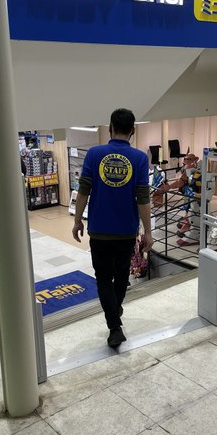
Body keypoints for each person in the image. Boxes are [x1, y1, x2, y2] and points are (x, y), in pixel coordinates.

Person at [72, 108, 154, 348]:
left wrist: (77, 220)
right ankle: (115, 314)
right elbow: (143, 198)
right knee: (121, 277)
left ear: (110, 128)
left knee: (103, 279)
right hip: (126, 230)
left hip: (99, 229)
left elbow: (83, 190)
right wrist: (148, 232)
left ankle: (114, 326)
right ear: (133, 131)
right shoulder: (139, 158)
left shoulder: (94, 154)